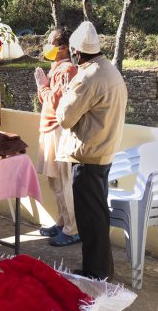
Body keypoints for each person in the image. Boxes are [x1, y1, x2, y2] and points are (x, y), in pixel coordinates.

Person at [56, 21, 127, 280]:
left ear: (77, 52)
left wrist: (66, 88)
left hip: (88, 156)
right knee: (97, 216)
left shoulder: (87, 77)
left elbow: (64, 117)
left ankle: (96, 273)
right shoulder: (110, 70)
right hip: (104, 153)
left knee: (90, 219)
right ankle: (101, 269)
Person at [34, 27, 80, 247]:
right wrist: (44, 87)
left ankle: (72, 229)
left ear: (63, 47)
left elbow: (57, 103)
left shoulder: (68, 69)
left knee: (64, 181)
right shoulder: (56, 68)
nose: (47, 45)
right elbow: (47, 100)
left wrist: (42, 86)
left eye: (51, 41)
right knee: (55, 183)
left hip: (59, 130)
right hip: (50, 130)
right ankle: (62, 222)